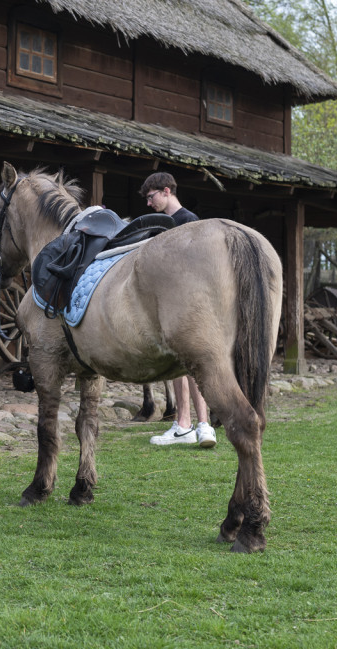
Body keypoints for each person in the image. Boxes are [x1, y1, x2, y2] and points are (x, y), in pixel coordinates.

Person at [139, 172, 217, 449]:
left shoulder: (189, 221)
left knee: (194, 363)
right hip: (168, 305)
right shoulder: (160, 225)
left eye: (151, 197)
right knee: (177, 365)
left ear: (166, 191)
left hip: (190, 304)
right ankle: (184, 424)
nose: (149, 203)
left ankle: (203, 425)